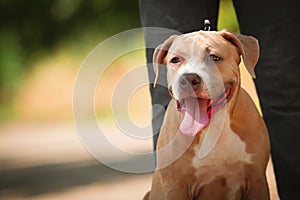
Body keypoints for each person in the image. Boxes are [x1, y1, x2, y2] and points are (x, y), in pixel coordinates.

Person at [138, 0, 300, 199]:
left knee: (286, 91)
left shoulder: (251, 129)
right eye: (175, 60)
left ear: (241, 55)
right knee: (166, 106)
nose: (190, 75)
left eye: (214, 58)